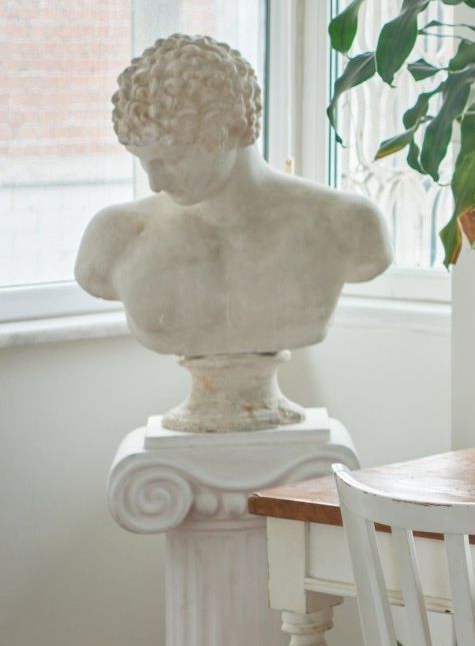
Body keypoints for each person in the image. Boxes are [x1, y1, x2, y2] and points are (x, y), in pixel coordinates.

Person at [75, 34, 391, 430]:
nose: (155, 183)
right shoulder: (116, 240)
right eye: (144, 163)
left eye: (172, 157)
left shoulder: (347, 225)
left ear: (235, 128)